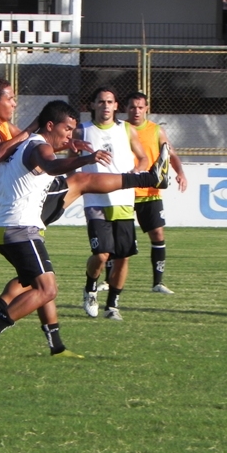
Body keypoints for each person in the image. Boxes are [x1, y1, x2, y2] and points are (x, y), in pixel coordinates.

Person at [0, 100, 169, 362]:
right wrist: (85, 159)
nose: (70, 134)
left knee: (40, 284)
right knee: (47, 289)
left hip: (11, 228)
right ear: (50, 125)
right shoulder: (37, 145)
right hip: (20, 229)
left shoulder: (24, 148)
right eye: (67, 129)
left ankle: (55, 346)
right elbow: (50, 165)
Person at [71, 87, 150, 321]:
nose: (106, 106)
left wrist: (137, 172)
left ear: (116, 106)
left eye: (110, 102)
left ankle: (112, 305)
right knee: (102, 254)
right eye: (101, 102)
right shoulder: (82, 131)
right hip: (95, 200)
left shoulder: (126, 129)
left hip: (123, 200)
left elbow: (144, 157)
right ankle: (90, 288)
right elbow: (70, 159)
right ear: (92, 105)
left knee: (122, 256)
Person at [98, 92, 187, 294]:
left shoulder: (156, 131)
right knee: (115, 239)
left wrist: (180, 172)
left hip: (149, 191)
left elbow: (170, 154)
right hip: (124, 191)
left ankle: (158, 282)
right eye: (132, 107)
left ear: (146, 108)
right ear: (125, 108)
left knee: (157, 233)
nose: (136, 111)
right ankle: (107, 280)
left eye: (140, 107)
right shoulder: (119, 129)